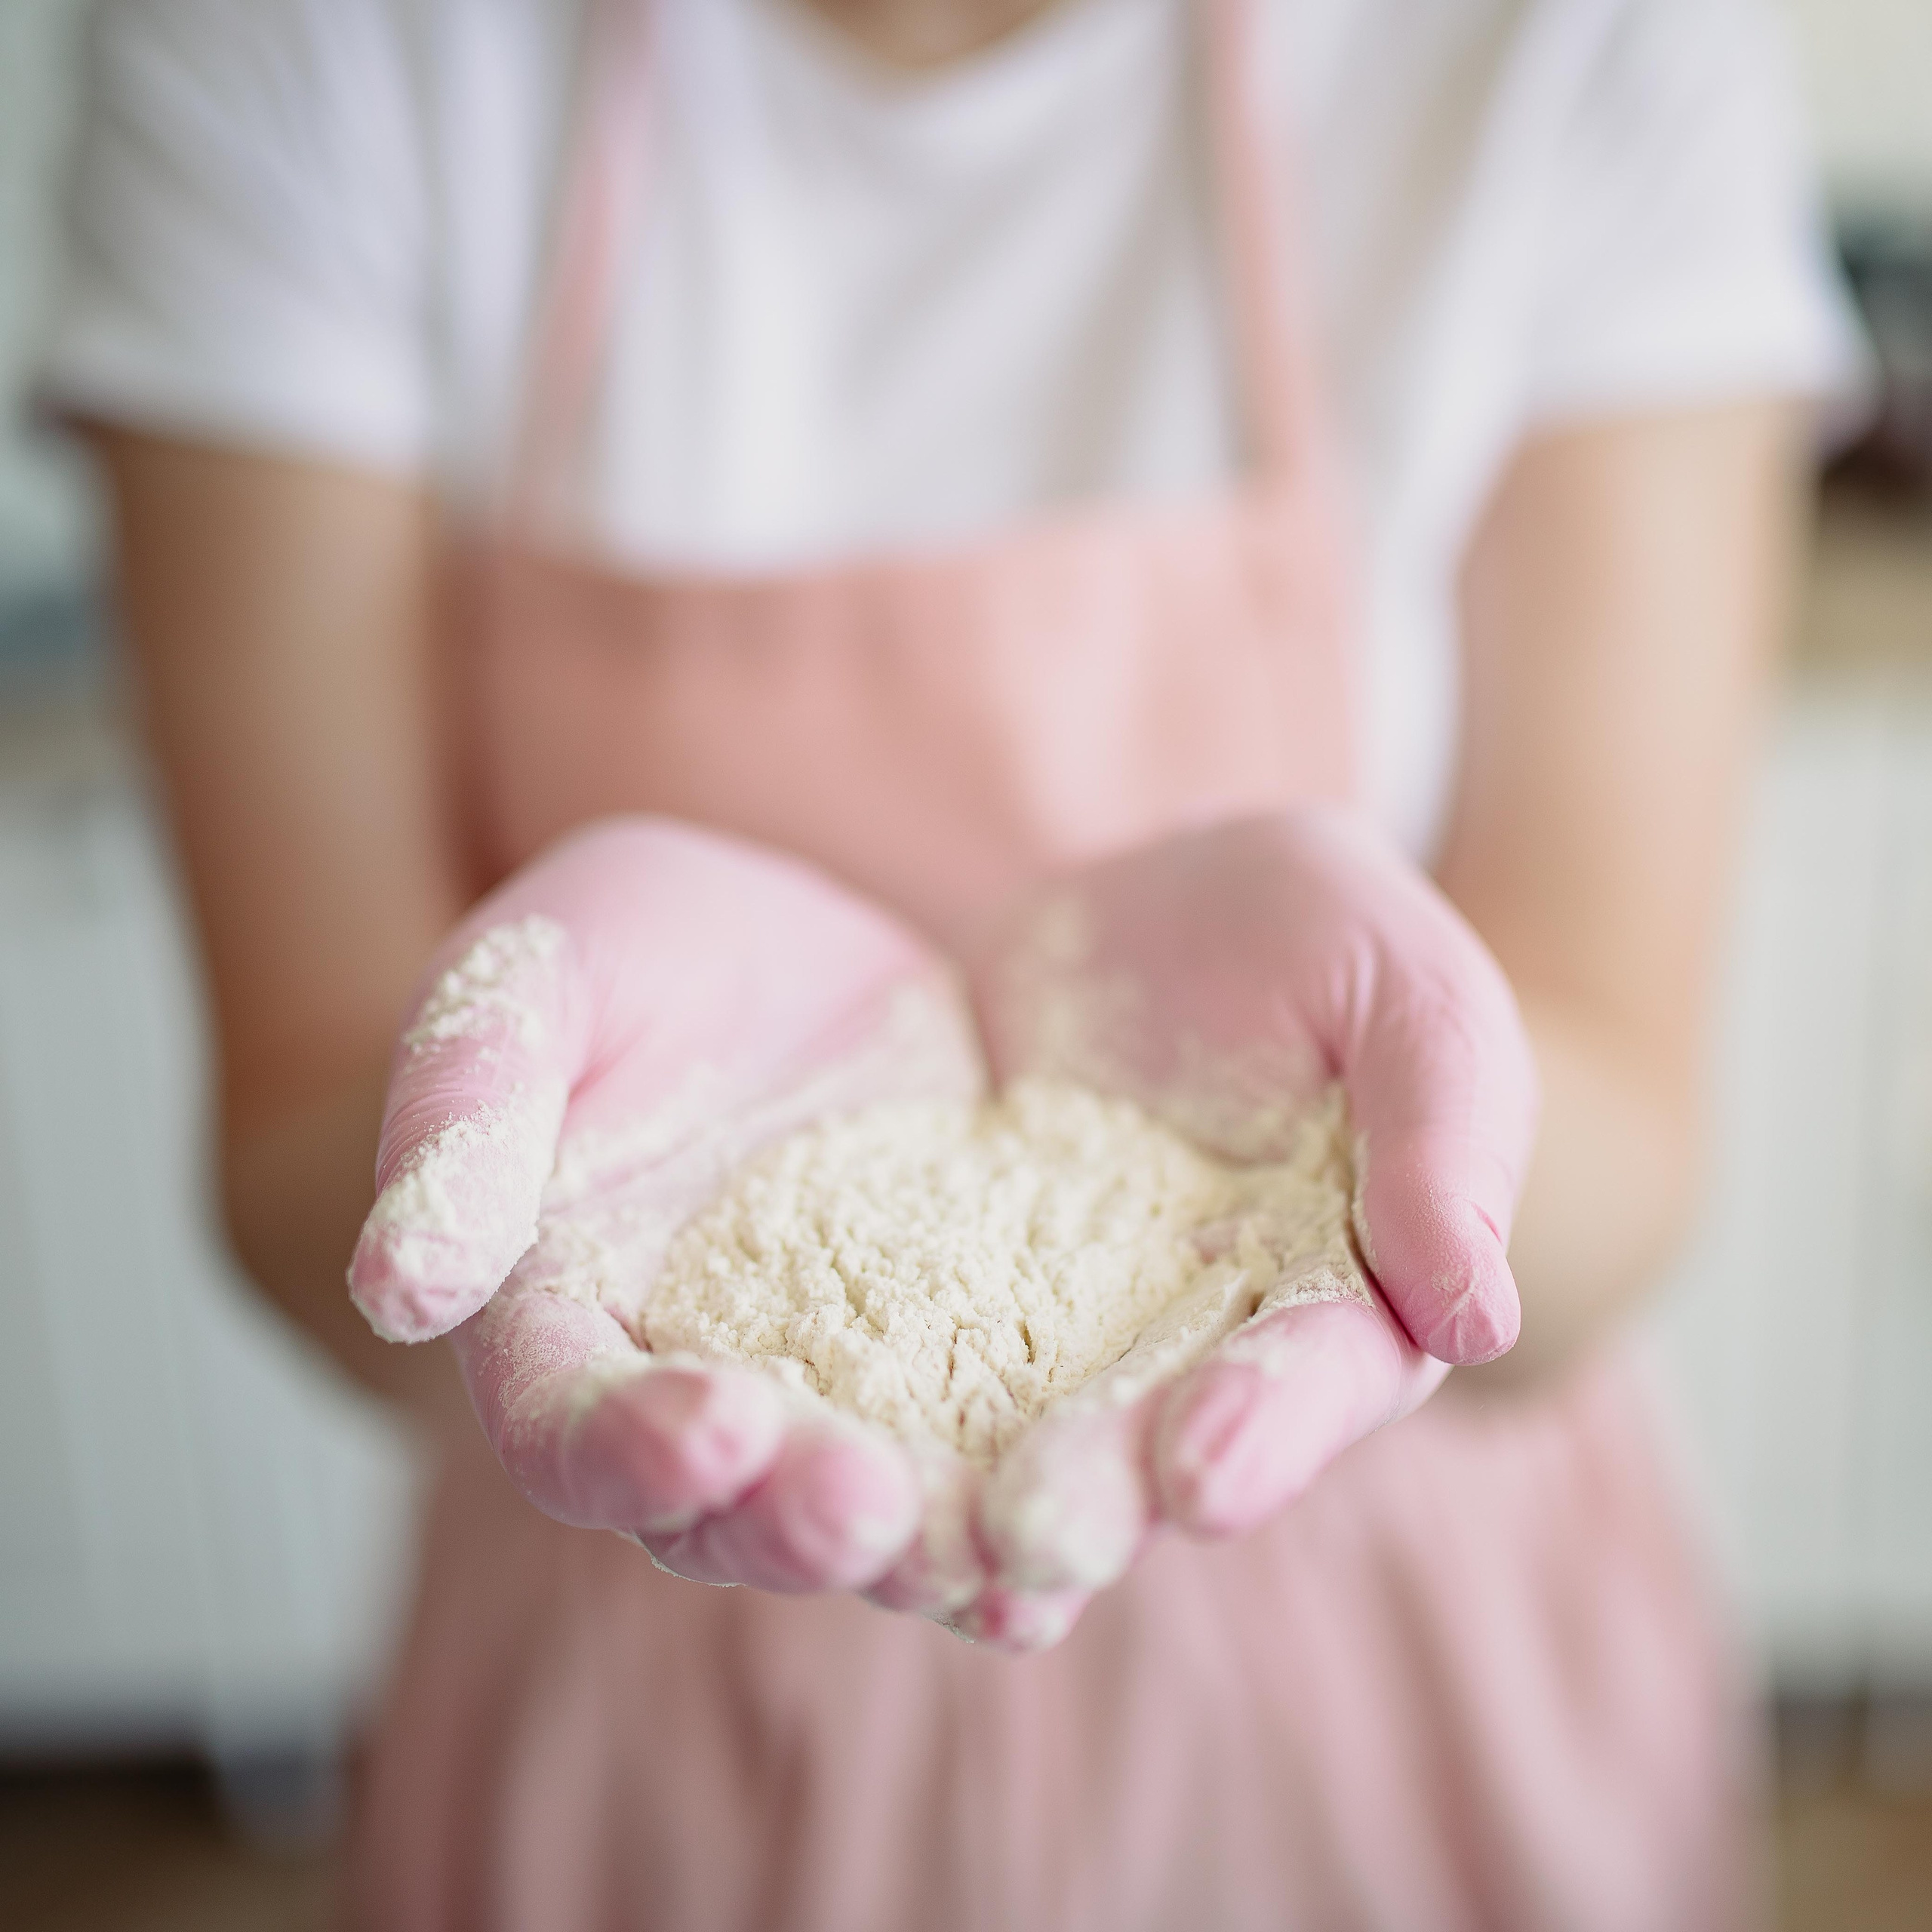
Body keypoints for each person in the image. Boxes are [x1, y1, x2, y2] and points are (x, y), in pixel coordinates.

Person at [45, 0, 1860, 1924]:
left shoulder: (1577, 41)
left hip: (1388, 1631)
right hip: (653, 1612)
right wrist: (516, 1127)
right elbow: (300, 1146)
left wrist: (1400, 1117)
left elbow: (1630, 1138)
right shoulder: (292, 43)